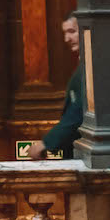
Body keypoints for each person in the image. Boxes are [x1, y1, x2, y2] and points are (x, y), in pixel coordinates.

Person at [27, 14, 83, 160]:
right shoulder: (83, 65)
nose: (66, 39)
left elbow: (78, 113)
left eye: (72, 32)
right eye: (65, 33)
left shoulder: (90, 67)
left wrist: (47, 143)